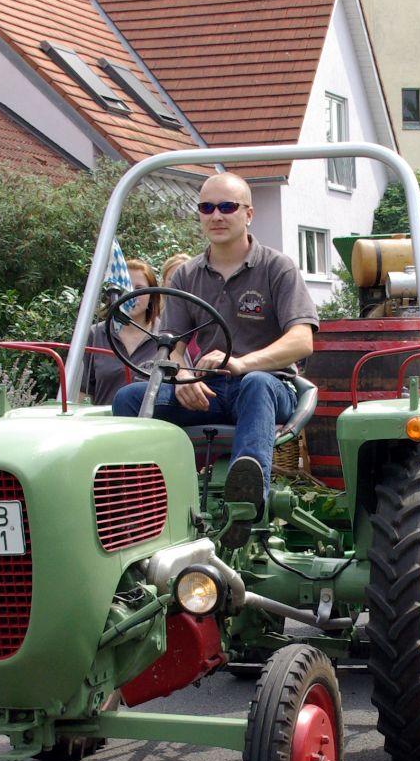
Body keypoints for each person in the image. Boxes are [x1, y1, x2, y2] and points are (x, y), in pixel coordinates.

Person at [110, 174, 317, 541]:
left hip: (270, 387)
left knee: (255, 384)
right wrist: (181, 377)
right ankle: (142, 505)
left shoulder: (277, 268)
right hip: (208, 390)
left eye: (227, 206)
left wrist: (242, 363)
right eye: (207, 207)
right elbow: (171, 345)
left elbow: (302, 340)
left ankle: (245, 507)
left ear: (248, 214)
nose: (216, 215)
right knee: (129, 398)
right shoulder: (187, 275)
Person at [85, 258, 161, 405]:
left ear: (152, 295)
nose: (131, 294)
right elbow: (81, 393)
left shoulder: (167, 337)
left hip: (152, 419)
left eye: (139, 289)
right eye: (125, 287)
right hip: (105, 418)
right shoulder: (95, 335)